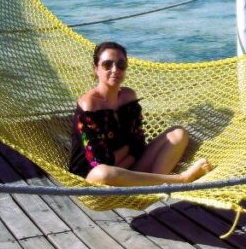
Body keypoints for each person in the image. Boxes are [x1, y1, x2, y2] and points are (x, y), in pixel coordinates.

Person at [68, 41, 212, 186]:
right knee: (104, 172)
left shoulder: (129, 96)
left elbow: (139, 142)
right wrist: (129, 153)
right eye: (107, 64)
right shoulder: (89, 105)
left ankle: (151, 186)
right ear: (96, 69)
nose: (115, 69)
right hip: (93, 182)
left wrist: (128, 158)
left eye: (121, 64)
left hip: (130, 170)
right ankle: (181, 179)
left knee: (178, 134)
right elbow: (98, 162)